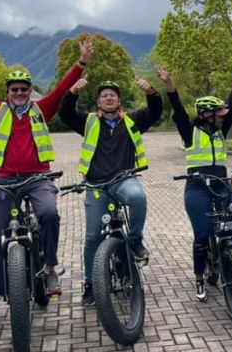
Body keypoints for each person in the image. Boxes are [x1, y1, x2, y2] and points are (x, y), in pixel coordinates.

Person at [0, 40, 93, 325]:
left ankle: (49, 268)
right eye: (15, 89)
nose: (20, 93)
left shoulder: (41, 110)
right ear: (8, 92)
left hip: (38, 178)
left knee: (49, 213)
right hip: (4, 180)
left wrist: (82, 62)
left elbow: (61, 89)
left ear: (29, 91)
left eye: (24, 89)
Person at [58, 75, 163, 306]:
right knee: (93, 237)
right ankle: (90, 285)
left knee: (138, 197)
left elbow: (155, 112)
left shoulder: (132, 121)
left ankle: (135, 240)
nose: (108, 98)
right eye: (104, 96)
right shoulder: (88, 122)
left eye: (112, 95)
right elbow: (65, 113)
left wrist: (151, 92)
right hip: (96, 185)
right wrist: (72, 91)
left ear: (119, 101)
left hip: (124, 179)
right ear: (98, 102)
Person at [156, 64, 232, 302]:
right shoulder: (189, 132)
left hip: (222, 186)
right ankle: (199, 278)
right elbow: (176, 105)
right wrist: (168, 82)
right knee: (202, 234)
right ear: (207, 115)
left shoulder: (221, 130)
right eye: (219, 114)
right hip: (197, 188)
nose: (224, 119)